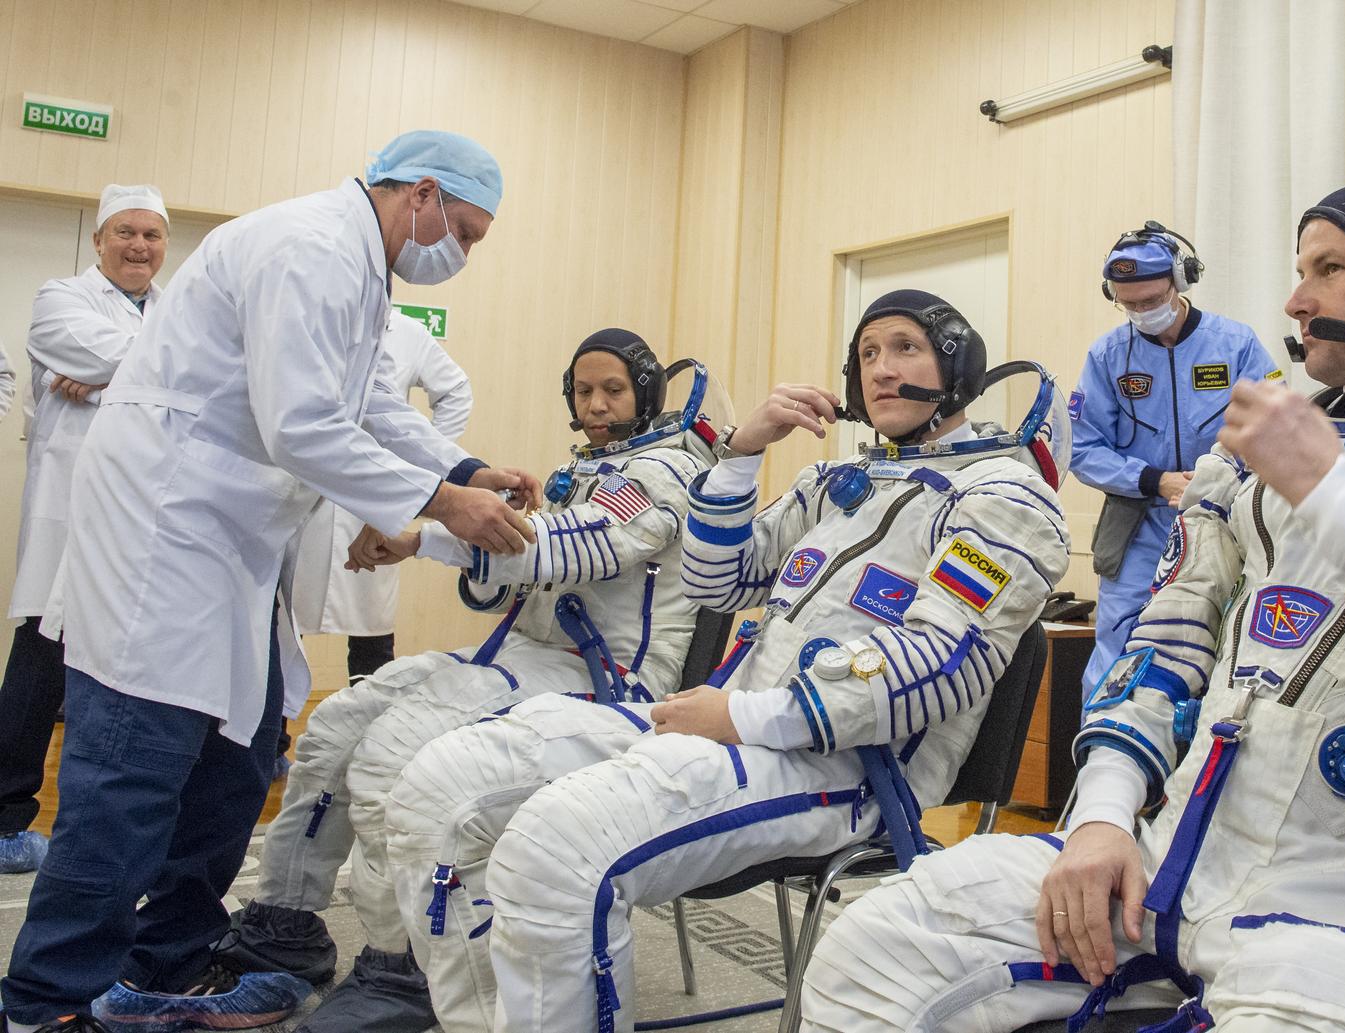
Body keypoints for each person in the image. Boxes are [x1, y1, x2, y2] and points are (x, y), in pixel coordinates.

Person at [801, 183, 1345, 1032]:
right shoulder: (1241, 474)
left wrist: (1335, 495)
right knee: (878, 945)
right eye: (1300, 272)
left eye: (1328, 269)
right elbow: (1161, 649)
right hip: (1179, 862)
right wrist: (1103, 815)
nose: (1296, 301)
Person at [388, 290, 1071, 1033]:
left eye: (905, 347)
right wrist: (741, 455)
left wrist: (747, 718)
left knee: (555, 847)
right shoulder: (837, 484)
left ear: (959, 365)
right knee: (442, 785)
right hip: (731, 721)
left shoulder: (1005, 501)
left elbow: (941, 661)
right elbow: (719, 580)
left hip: (847, 769)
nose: (881, 368)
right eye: (868, 353)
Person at [0, 131, 536, 1033]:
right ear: (423, 195)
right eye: (467, 233)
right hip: (164, 530)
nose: (464, 254)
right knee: (131, 772)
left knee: (240, 759)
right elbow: (303, 426)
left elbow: (368, 403)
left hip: (231, 542)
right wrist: (448, 504)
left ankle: (165, 959)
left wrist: (468, 467)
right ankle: (46, 1001)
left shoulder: (359, 269)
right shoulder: (309, 246)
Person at [211, 330, 714, 1033]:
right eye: (583, 391)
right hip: (530, 654)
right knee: (339, 725)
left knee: (389, 757)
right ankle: (284, 924)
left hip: (609, 680)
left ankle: (402, 966)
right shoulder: (587, 468)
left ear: (648, 394)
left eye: (613, 391)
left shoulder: (667, 470)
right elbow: (514, 577)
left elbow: (580, 548)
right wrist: (461, 543)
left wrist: (426, 534)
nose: (596, 406)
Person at [0, 185, 169, 875]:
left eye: (152, 235)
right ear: (99, 240)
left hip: (146, 516)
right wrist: (153, 375)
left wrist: (103, 381)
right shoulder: (60, 298)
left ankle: (99, 824)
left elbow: (205, 376)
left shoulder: (175, 310)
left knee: (127, 672)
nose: (139, 246)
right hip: (69, 512)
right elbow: (183, 370)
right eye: (125, 232)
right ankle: (6, 818)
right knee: (41, 662)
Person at [1069, 223, 1275, 702]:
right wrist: (1154, 480)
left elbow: (1273, 425)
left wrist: (1217, 481)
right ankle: (1103, 745)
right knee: (1117, 652)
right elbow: (1081, 448)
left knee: (1226, 646)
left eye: (1152, 300)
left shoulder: (1236, 344)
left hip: (1226, 519)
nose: (1142, 312)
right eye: (1129, 304)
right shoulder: (1107, 356)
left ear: (1180, 282)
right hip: (1138, 522)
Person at [290, 311, 475, 684]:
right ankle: (276, 721)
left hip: (372, 500)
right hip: (305, 494)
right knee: (287, 627)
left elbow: (455, 391)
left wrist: (422, 464)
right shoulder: (307, 318)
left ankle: (368, 717)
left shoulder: (406, 331)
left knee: (371, 638)